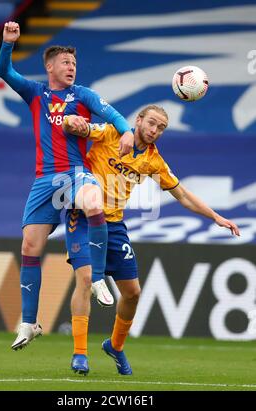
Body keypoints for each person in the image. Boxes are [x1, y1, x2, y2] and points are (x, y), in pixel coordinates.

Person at [0, 21, 134, 373]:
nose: (71, 68)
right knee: (29, 245)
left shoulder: (83, 95)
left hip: (75, 172)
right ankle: (30, 321)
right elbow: (3, 71)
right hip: (44, 180)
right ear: (50, 67)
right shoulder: (36, 94)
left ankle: (99, 274)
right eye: (66, 63)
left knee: (92, 203)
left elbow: (112, 112)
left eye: (74, 63)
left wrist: (126, 130)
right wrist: (8, 44)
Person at [63, 105, 240, 375]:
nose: (154, 130)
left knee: (133, 293)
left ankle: (115, 346)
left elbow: (181, 194)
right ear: (139, 120)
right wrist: (72, 122)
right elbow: (83, 129)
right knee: (86, 278)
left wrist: (215, 216)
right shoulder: (111, 133)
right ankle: (80, 353)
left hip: (114, 224)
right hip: (85, 216)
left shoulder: (153, 161)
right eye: (152, 123)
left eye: (161, 128)